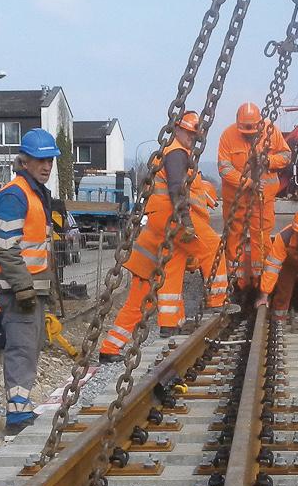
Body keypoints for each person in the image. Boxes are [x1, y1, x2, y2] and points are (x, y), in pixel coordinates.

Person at [97, 142, 228, 361]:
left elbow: (180, 267)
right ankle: (217, 300)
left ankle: (115, 346)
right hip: (148, 261)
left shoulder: (171, 236)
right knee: (212, 247)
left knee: (142, 301)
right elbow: (202, 249)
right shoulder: (184, 203)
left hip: (147, 259)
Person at [0, 128, 62, 434]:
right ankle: (16, 416)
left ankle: (21, 408)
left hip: (30, 288)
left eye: (50, 160)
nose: (46, 166)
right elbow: (6, 247)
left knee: (29, 347)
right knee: (21, 348)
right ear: (25, 161)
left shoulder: (33, 193)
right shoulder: (15, 195)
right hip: (19, 290)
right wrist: (23, 287)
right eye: (40, 160)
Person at [218, 102, 290, 292]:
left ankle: (263, 282)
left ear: (259, 123)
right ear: (238, 124)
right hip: (236, 199)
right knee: (234, 239)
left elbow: (286, 155)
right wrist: (248, 182)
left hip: (263, 198)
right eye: (245, 131)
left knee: (262, 238)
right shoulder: (228, 136)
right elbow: (224, 168)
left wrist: (269, 160)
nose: (249, 135)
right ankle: (237, 285)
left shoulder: (271, 131)